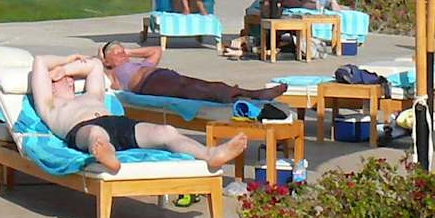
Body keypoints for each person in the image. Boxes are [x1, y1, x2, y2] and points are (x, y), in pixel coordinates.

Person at [28, 52, 250, 176]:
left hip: (118, 123)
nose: (70, 80)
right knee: (96, 134)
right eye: (62, 79)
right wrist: (62, 63)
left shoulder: (91, 95)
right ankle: (108, 157)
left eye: (70, 78)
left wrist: (66, 67)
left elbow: (95, 65)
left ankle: (210, 154)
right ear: (50, 84)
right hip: (82, 129)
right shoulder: (49, 105)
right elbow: (39, 61)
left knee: (166, 131)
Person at [101, 42, 285, 110]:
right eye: (116, 53)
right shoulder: (112, 74)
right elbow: (92, 66)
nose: (121, 53)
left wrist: (129, 51)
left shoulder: (139, 64)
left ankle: (249, 94)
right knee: (192, 90)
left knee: (201, 85)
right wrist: (103, 59)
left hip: (163, 75)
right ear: (107, 61)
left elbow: (156, 50)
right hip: (148, 84)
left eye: (122, 50)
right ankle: (244, 95)